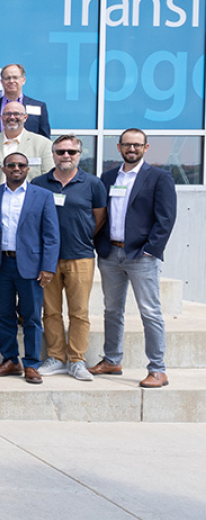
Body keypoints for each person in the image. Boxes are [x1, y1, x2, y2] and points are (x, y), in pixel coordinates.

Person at [91, 128, 177, 388]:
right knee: (112, 310)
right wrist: (99, 244)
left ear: (145, 148)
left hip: (141, 255)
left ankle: (158, 369)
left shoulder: (159, 177)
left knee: (150, 312)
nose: (131, 149)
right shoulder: (107, 177)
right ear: (118, 147)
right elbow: (100, 213)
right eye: (127, 145)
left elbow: (166, 219)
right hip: (110, 253)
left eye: (137, 145)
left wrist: (151, 250)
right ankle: (112, 359)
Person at [31, 135, 107, 382]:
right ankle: (55, 357)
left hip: (80, 256)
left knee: (79, 312)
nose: (66, 156)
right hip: (46, 259)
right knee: (50, 311)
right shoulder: (39, 183)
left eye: (71, 152)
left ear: (79, 155)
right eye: (61, 151)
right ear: (53, 154)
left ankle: (76, 360)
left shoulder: (93, 184)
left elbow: (99, 218)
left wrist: (81, 236)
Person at [0, 152, 60, 384]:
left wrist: (48, 266)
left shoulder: (43, 195)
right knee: (4, 315)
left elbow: (51, 234)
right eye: (12, 165)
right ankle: (10, 360)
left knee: (32, 317)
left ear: (28, 169)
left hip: (31, 266)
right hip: (0, 264)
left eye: (21, 165)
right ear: (4, 169)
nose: (16, 168)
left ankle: (32, 364)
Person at [0, 101, 54, 190]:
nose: (12, 117)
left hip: (31, 201)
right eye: (7, 114)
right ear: (1, 118)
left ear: (25, 117)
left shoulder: (43, 144)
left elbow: (49, 179)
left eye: (17, 114)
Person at [0, 63, 51, 144]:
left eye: (15, 77)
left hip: (28, 155)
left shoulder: (39, 107)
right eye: (7, 78)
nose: (11, 81)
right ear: (1, 82)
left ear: (23, 80)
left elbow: (45, 140)